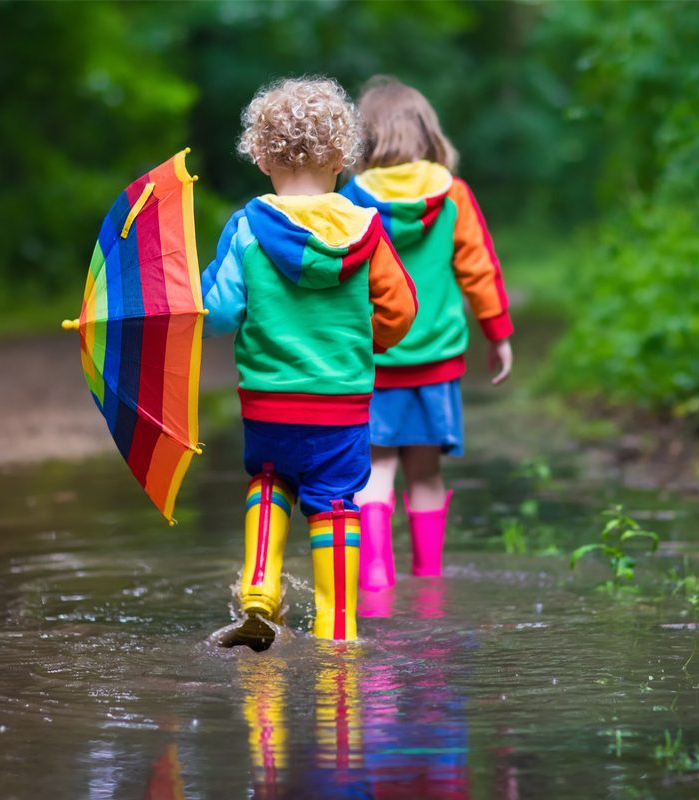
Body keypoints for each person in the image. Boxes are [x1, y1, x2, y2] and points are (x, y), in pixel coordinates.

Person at [201, 77, 417, 645]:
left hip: (268, 402)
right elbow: (401, 309)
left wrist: (205, 287)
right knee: (336, 502)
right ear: (341, 158)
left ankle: (258, 589)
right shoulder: (367, 230)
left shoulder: (246, 227)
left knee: (270, 480)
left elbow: (220, 314)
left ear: (264, 156)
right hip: (341, 405)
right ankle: (337, 626)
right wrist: (367, 343)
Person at [341, 76, 514, 592]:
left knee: (376, 469)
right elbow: (478, 267)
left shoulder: (351, 198)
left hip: (374, 357)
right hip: (436, 358)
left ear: (364, 140)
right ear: (427, 132)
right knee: (425, 473)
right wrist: (497, 332)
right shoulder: (453, 195)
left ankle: (373, 575)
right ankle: (430, 580)